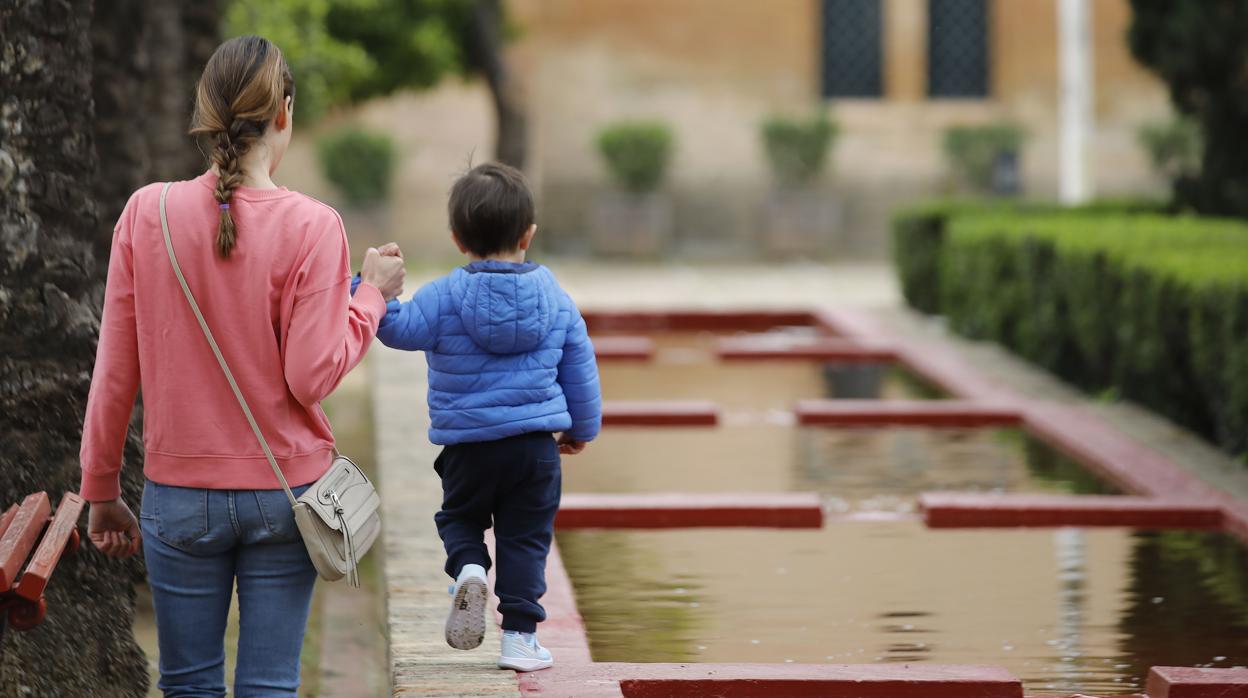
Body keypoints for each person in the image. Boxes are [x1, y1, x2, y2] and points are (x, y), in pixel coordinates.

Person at [79, 35, 406, 697]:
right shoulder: (315, 226)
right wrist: (370, 296)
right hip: (287, 495)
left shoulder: (147, 213)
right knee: (269, 685)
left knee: (187, 684)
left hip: (179, 495)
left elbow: (115, 367)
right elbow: (311, 376)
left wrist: (102, 490)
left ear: (205, 113)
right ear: (285, 112)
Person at [359, 162, 601, 671]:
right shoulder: (556, 299)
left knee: (460, 518)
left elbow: (396, 329)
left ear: (457, 239)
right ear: (528, 235)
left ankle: (469, 568)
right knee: (525, 539)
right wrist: (581, 428)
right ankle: (519, 639)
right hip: (535, 449)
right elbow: (580, 368)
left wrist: (371, 286)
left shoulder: (443, 297)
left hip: (467, 448)